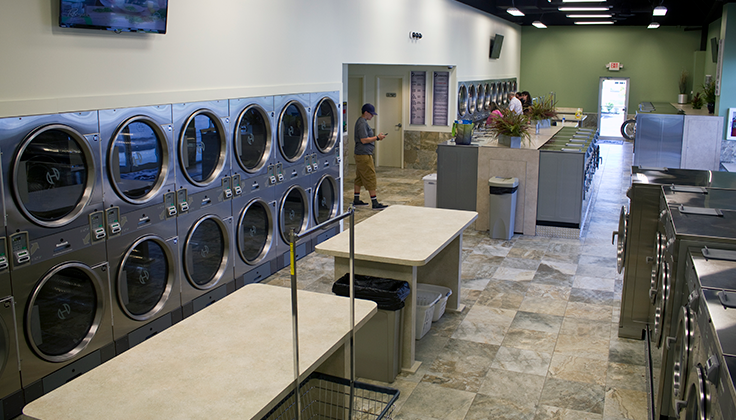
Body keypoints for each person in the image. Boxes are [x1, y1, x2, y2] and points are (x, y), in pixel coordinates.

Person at [353, 103, 388, 209]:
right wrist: (377, 138)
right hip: (363, 155)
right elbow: (363, 140)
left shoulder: (361, 122)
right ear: (366, 112)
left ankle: (356, 199)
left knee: (359, 178)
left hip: (360, 154)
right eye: (371, 114)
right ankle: (375, 202)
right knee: (370, 177)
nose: (372, 116)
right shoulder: (362, 123)